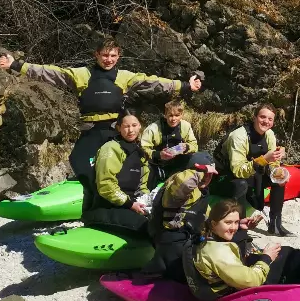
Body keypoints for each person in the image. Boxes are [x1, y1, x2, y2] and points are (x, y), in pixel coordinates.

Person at [0, 39, 202, 187]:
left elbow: (154, 83)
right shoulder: (81, 74)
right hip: (90, 130)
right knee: (78, 160)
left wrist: (185, 86)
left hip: (115, 130)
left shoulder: (125, 76)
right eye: (104, 55)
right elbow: (49, 72)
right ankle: (96, 190)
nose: (108, 59)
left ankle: (129, 188)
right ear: (96, 55)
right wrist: (16, 65)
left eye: (113, 56)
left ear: (118, 57)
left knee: (126, 161)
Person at [187, 199, 300, 301]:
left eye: (236, 222)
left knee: (287, 253)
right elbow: (251, 281)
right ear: (213, 224)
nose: (233, 227)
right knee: (291, 258)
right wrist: (266, 258)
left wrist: (241, 228)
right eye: (228, 223)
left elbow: (231, 253)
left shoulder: (209, 238)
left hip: (234, 279)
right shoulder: (218, 253)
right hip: (235, 294)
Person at [140, 151, 219, 281]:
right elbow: (184, 183)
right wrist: (199, 170)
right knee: (181, 275)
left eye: (210, 174)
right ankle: (155, 270)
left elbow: (209, 218)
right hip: (170, 240)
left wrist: (236, 223)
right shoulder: (176, 186)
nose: (207, 177)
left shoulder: (202, 192)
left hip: (187, 239)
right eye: (204, 173)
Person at [218, 104, 291, 236]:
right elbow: (237, 171)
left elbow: (273, 163)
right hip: (226, 177)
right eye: (262, 117)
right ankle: (240, 228)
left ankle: (275, 224)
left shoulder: (269, 134)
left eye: (270, 119)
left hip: (252, 172)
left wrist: (277, 172)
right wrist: (264, 159)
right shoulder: (239, 136)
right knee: (241, 184)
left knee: (279, 180)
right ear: (254, 117)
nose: (266, 121)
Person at [83, 110, 152, 235]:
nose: (131, 130)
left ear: (140, 126)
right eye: (126, 126)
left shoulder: (140, 152)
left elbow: (142, 185)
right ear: (119, 128)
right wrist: (130, 204)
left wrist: (146, 202)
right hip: (105, 208)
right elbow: (105, 184)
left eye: (134, 125)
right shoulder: (110, 148)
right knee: (149, 227)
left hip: (129, 205)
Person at [141, 100, 198, 187]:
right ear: (165, 115)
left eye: (177, 115)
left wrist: (186, 147)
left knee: (196, 158)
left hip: (178, 163)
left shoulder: (185, 126)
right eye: (170, 115)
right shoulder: (153, 129)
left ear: (181, 115)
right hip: (157, 164)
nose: (173, 119)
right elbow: (142, 149)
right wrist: (159, 154)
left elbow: (194, 145)